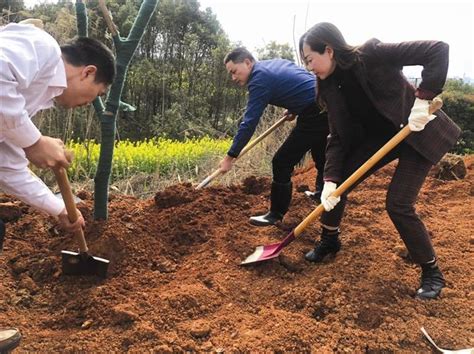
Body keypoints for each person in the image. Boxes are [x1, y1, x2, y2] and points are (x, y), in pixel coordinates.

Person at [299, 22, 460, 299]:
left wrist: (423, 100)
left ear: (328, 50)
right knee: (337, 183)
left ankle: (432, 271)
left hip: (415, 130)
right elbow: (337, 137)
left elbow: (436, 50)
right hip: (378, 140)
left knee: (398, 203)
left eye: (310, 59)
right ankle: (330, 239)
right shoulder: (328, 88)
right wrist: (328, 181)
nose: (309, 67)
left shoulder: (371, 54)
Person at [0, 21, 116, 343]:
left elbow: (7, 167)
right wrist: (34, 141)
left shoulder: (32, 100)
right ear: (88, 72)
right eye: (99, 93)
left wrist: (57, 208)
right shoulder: (42, 48)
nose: (92, 101)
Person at [220, 47, 329, 226]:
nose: (233, 78)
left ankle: (276, 213)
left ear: (247, 63)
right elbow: (302, 81)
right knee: (320, 154)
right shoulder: (271, 65)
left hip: (315, 112)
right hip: (324, 102)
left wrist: (230, 156)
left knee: (281, 161)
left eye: (234, 71)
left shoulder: (258, 79)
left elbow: (249, 122)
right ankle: (320, 194)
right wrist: (295, 107)